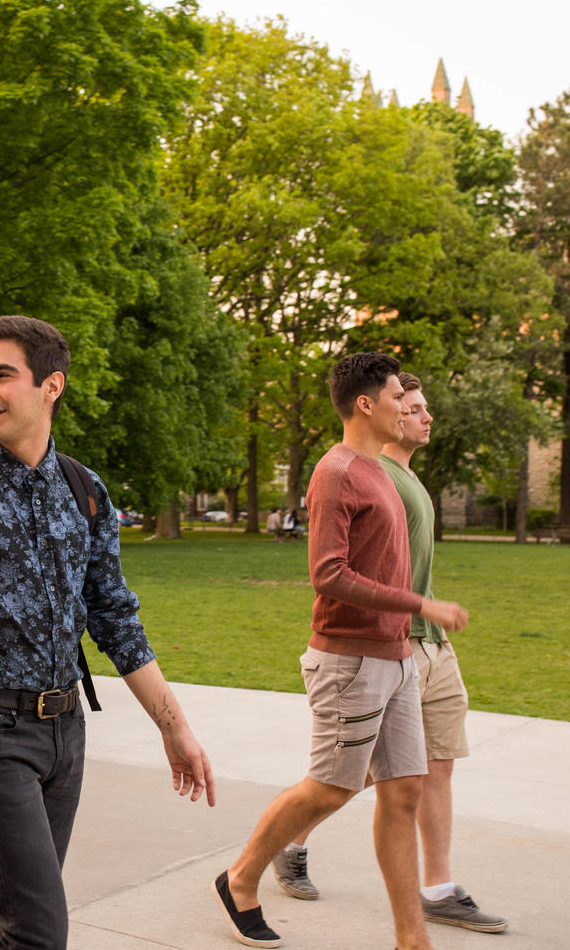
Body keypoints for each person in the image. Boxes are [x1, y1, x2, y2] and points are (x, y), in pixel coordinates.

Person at [0, 315, 216, 950]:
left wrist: (175, 729)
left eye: (3, 375)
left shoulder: (84, 489)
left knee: (12, 925)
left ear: (51, 386)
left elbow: (115, 616)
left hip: (66, 731)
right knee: (38, 930)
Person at [212, 353, 468, 950]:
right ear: (366, 405)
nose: (405, 404)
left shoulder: (382, 469)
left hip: (396, 658)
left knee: (405, 789)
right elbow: (328, 574)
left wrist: (408, 626)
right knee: (332, 787)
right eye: (395, 395)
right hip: (349, 660)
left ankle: (412, 938)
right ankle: (240, 878)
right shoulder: (338, 471)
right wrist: (419, 605)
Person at [275, 373, 506, 933]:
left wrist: (431, 624)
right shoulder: (363, 473)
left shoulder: (405, 479)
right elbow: (332, 572)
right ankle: (278, 849)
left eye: (420, 404)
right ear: (382, 409)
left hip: (426, 646)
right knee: (354, 776)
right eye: (409, 403)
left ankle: (436, 889)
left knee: (427, 769)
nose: (420, 414)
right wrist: (420, 610)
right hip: (383, 645)